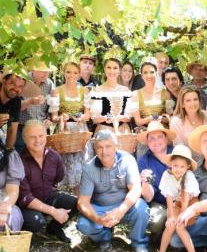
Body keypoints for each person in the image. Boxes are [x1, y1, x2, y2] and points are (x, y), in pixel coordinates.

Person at [77, 129, 149, 252]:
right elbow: (82, 202)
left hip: (124, 205)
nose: (104, 151)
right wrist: (98, 219)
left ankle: (138, 242)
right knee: (84, 225)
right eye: (100, 147)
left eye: (108, 146)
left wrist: (121, 209)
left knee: (141, 208)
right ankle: (104, 237)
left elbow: (136, 189)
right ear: (94, 148)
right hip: (100, 208)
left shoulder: (128, 160)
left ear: (116, 146)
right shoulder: (89, 168)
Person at [18, 120, 77, 242]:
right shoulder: (19, 161)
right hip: (27, 206)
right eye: (32, 137)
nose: (38, 140)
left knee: (75, 203)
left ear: (46, 136)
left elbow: (58, 178)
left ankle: (54, 228)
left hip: (47, 196)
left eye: (41, 136)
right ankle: (25, 237)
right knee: (36, 221)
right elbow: (25, 198)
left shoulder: (54, 156)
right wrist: (53, 211)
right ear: (24, 139)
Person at [149, 145, 200, 252]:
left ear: (187, 167)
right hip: (176, 203)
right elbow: (169, 197)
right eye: (176, 165)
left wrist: (181, 216)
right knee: (170, 225)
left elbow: (185, 199)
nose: (178, 169)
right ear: (171, 164)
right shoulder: (167, 175)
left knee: (179, 226)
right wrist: (171, 216)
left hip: (190, 204)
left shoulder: (189, 176)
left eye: (182, 166)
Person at [50, 62, 90, 191]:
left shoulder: (84, 90)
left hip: (80, 131)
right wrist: (62, 117)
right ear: (63, 73)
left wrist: (81, 117)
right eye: (68, 72)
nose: (71, 75)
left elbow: (88, 115)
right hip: (65, 132)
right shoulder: (56, 91)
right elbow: (53, 117)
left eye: (75, 72)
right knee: (66, 166)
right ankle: (66, 200)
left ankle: (82, 198)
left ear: (79, 74)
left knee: (82, 164)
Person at [137, 121, 176, 238]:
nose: (156, 142)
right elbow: (149, 197)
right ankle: (164, 234)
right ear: (147, 143)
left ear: (166, 139)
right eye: (152, 139)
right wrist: (144, 182)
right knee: (155, 224)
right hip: (160, 203)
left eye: (160, 137)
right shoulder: (143, 161)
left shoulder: (177, 153)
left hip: (180, 200)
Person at [16, 60, 55, 152]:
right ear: (33, 69)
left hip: (41, 129)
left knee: (39, 161)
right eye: (42, 70)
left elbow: (52, 107)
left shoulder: (49, 84)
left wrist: (49, 119)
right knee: (20, 160)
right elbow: (14, 107)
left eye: (47, 71)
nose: (45, 74)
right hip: (22, 129)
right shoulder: (21, 81)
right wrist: (30, 101)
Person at [89, 58, 134, 133]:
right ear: (104, 69)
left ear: (119, 71)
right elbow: (94, 118)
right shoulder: (97, 91)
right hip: (103, 130)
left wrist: (118, 118)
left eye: (115, 68)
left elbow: (129, 117)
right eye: (109, 67)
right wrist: (106, 118)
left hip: (122, 131)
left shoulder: (125, 91)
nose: (111, 71)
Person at [170, 86, 207, 159]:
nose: (193, 103)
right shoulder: (176, 122)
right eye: (188, 100)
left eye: (195, 99)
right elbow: (180, 149)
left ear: (199, 101)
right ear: (182, 104)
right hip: (188, 163)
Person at [132, 61, 171, 127]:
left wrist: (161, 119)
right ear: (142, 76)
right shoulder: (135, 95)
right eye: (145, 72)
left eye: (152, 72)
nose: (149, 75)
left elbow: (170, 118)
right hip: (145, 131)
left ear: (156, 74)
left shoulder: (166, 94)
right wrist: (150, 119)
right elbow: (138, 122)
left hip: (163, 130)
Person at [0, 149, 25, 231]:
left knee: (11, 217)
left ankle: (9, 243)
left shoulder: (8, 152)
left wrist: (4, 209)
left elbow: (13, 191)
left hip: (3, 201)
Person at [0, 72, 27, 149]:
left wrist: (8, 152)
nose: (16, 88)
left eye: (20, 86)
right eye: (13, 83)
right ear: (4, 81)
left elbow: (12, 130)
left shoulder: (16, 101)